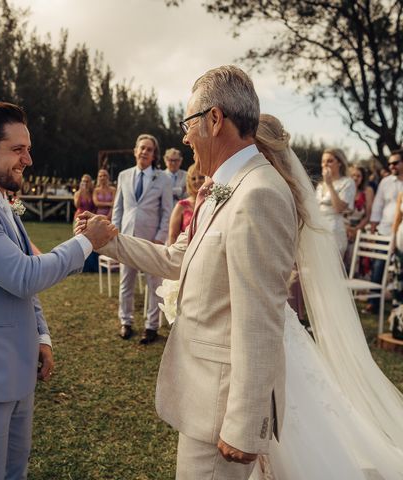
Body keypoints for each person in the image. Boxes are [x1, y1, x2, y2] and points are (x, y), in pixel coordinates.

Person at [80, 66, 296, 478]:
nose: (183, 136)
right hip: (202, 398)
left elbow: (261, 319)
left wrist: (245, 425)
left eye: (188, 123)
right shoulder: (221, 189)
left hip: (222, 410)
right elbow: (178, 259)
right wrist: (107, 241)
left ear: (215, 120)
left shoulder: (259, 194)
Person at [0, 101, 116, 480]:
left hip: (15, 365)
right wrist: (86, 244)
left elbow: (22, 290)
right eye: (18, 149)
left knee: (16, 470)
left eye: (27, 149)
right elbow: (24, 275)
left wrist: (41, 334)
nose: (28, 159)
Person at [247, 115, 403, 479]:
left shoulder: (274, 192)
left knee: (291, 401)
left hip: (270, 311)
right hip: (273, 309)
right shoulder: (274, 187)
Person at [112, 134, 173, 344]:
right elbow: (118, 208)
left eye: (149, 149)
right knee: (125, 283)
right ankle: (126, 322)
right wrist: (115, 233)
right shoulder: (124, 176)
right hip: (126, 238)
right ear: (135, 150)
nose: (145, 152)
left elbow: (167, 211)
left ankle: (151, 326)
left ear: (154, 154)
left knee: (154, 285)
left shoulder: (162, 178)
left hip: (151, 241)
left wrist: (160, 237)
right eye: (142, 148)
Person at [368, 149, 403, 313]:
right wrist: (374, 226)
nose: (391, 166)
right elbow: (378, 204)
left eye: (395, 163)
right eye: (390, 163)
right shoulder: (385, 182)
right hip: (384, 229)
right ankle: (373, 302)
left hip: (401, 234)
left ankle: (398, 305)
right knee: (378, 266)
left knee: (399, 268)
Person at [315, 148, 356, 255]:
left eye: (330, 161)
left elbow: (339, 208)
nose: (325, 164)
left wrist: (329, 184)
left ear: (340, 163)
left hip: (334, 231)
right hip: (318, 230)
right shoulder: (320, 185)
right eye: (323, 161)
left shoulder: (347, 182)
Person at [344, 165, 375, 270]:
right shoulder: (344, 190)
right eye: (353, 175)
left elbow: (368, 216)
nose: (355, 178)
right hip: (343, 228)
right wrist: (347, 228)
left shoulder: (367, 191)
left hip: (359, 229)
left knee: (357, 265)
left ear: (363, 178)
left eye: (358, 176)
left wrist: (355, 229)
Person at [167, 163, 205, 245]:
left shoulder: (214, 201)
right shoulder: (181, 206)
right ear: (189, 182)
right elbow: (172, 236)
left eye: (201, 177)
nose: (197, 181)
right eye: (193, 179)